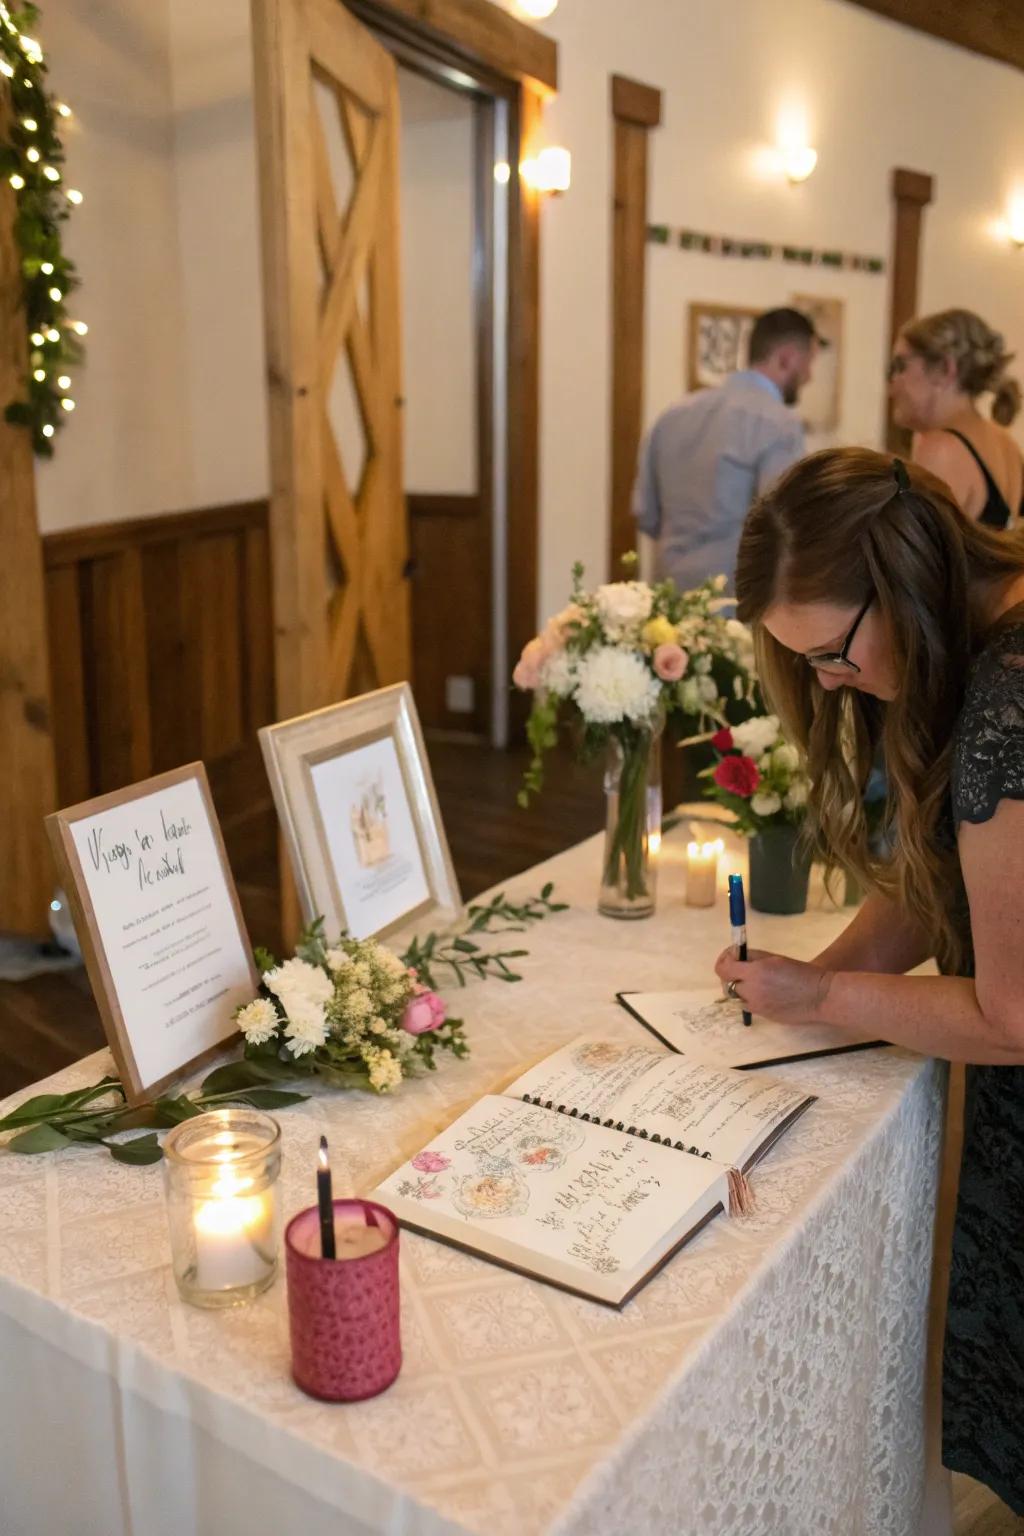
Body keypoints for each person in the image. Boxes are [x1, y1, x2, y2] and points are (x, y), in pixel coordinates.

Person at [716, 446, 1024, 1514]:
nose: (826, 682)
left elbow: (1012, 1010)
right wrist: (816, 976)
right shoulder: (978, 639)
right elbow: (951, 876)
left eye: (832, 654)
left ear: (895, 583)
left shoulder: (1003, 711)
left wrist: (830, 1001)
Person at [633, 307, 821, 592]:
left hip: (667, 598)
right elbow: (784, 525)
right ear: (786, 358)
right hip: (734, 602)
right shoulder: (779, 423)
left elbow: (646, 514)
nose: (810, 376)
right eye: (809, 362)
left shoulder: (672, 415)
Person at [889, 307, 1023, 528]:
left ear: (944, 369)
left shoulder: (942, 449)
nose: (894, 380)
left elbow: (915, 556)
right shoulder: (1006, 443)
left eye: (901, 365)